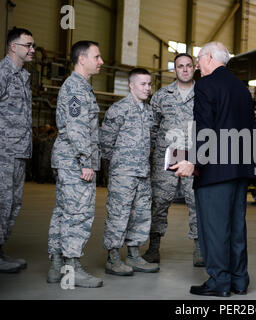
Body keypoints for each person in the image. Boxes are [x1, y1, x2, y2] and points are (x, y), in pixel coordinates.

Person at [172, 42, 254, 297]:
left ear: (209, 58)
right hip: (240, 169)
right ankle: (239, 280)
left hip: (216, 172)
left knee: (215, 229)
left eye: (198, 59)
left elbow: (206, 129)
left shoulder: (206, 86)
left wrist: (193, 161)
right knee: (236, 228)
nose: (196, 64)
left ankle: (219, 282)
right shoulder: (242, 88)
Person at [47, 40, 104, 288]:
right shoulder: (77, 89)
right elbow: (78, 129)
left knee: (63, 211)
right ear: (82, 59)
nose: (101, 62)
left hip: (68, 160)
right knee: (78, 214)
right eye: (97, 57)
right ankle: (72, 269)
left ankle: (57, 265)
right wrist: (86, 162)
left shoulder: (78, 87)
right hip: (75, 161)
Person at [142, 53, 204, 267]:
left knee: (196, 202)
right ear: (174, 69)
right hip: (166, 156)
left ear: (194, 68)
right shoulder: (161, 96)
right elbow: (152, 127)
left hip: (193, 157)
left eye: (188, 66)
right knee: (159, 201)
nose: (185, 70)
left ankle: (199, 248)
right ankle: (153, 247)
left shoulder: (203, 93)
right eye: (180, 66)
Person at [100, 68, 159, 276]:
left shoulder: (149, 111)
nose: (147, 88)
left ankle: (134, 255)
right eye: (143, 84)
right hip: (123, 173)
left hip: (143, 172)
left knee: (141, 214)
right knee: (119, 214)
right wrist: (117, 166)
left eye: (149, 84)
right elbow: (105, 142)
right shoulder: (119, 109)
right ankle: (113, 258)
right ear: (131, 85)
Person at [0, 27, 35, 273]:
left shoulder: (23, 76)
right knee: (2, 202)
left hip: (19, 151)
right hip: (3, 152)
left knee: (12, 204)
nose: (32, 50)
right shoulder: (2, 73)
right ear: (13, 46)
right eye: (28, 45)